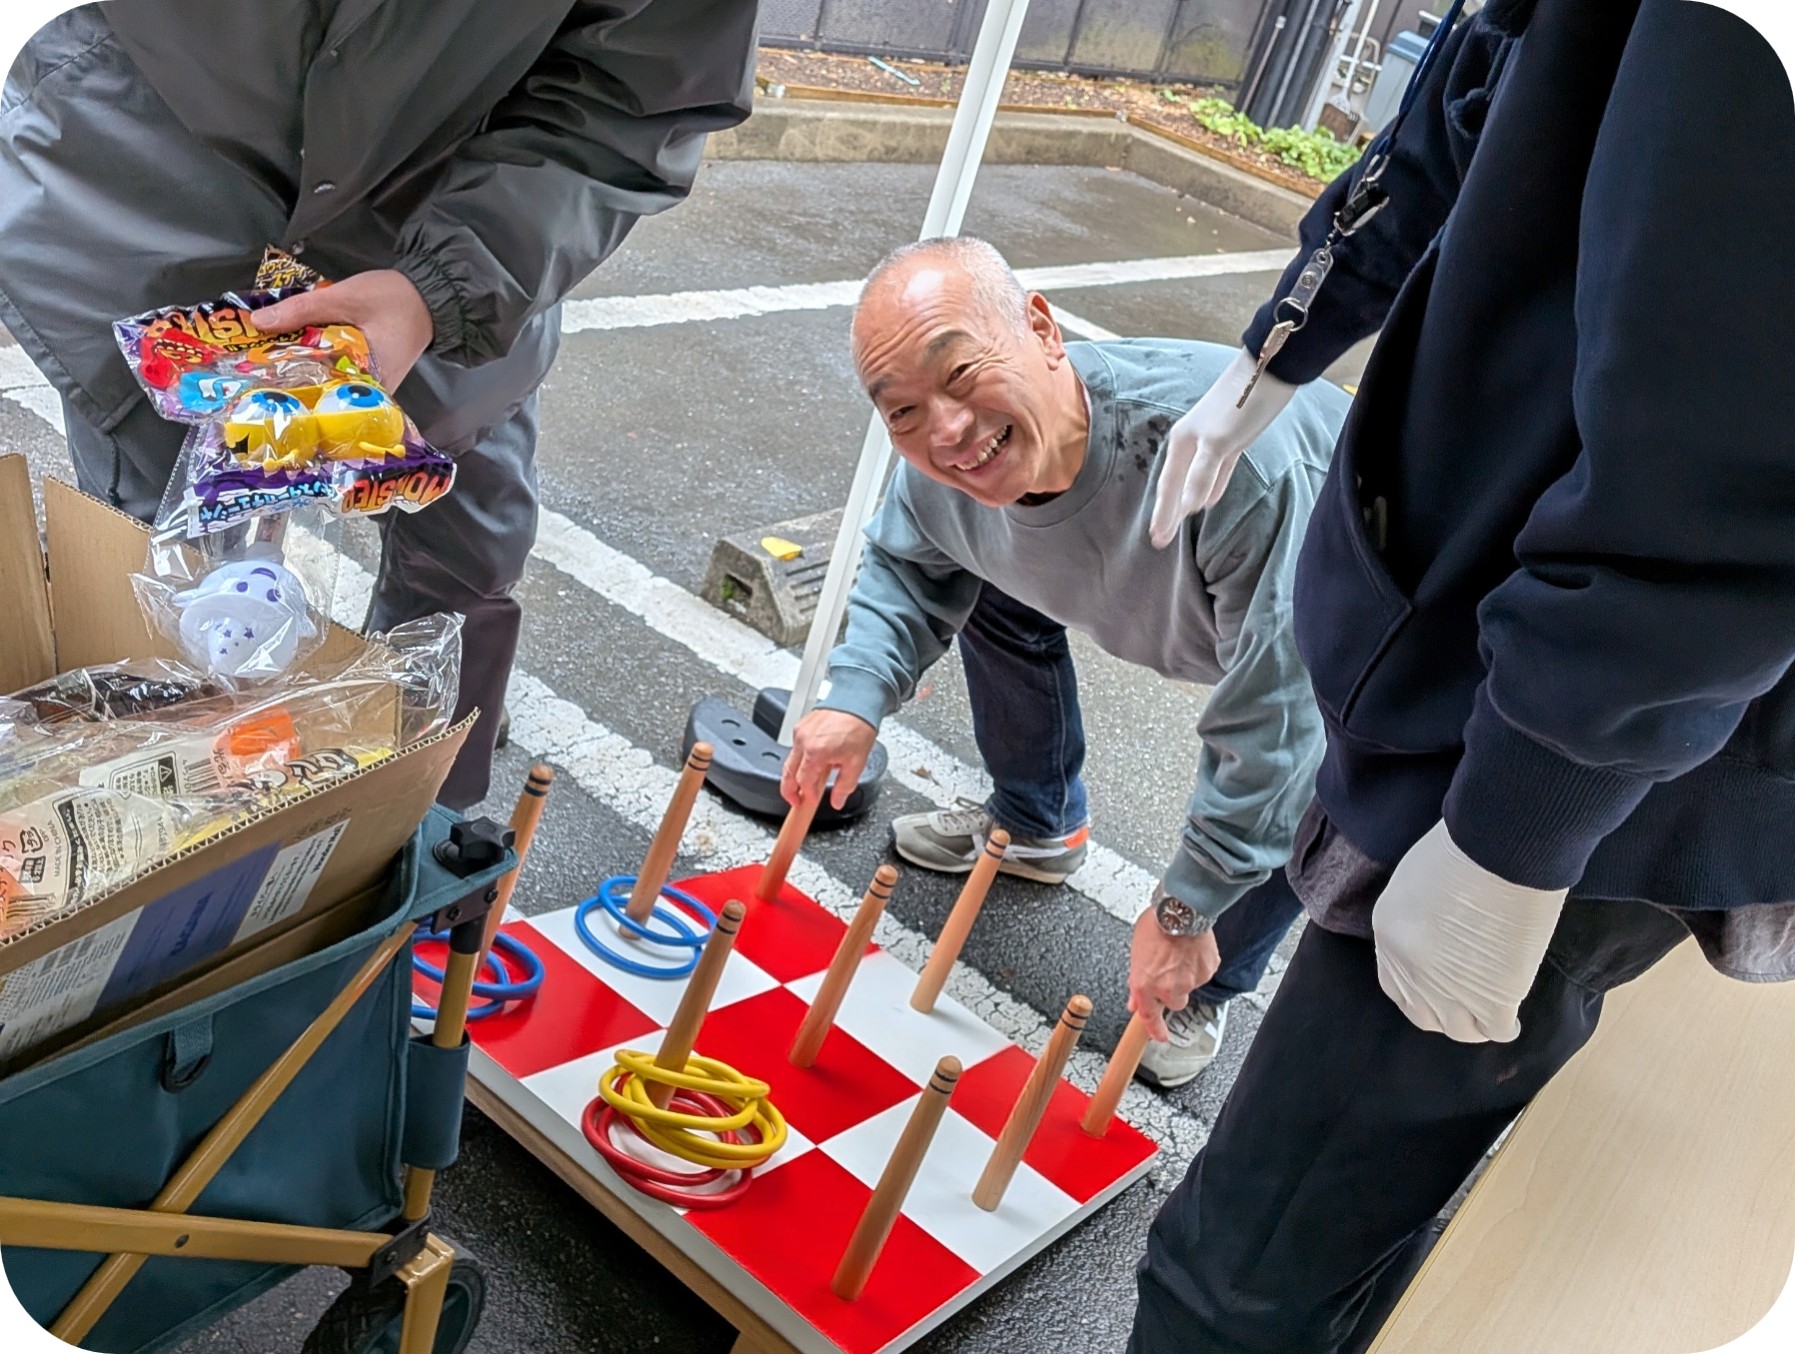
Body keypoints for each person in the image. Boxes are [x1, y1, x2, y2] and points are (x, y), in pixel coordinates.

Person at [1131, 1, 1795, 1349]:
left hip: (1596, 753)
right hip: (1536, 686)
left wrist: (1518, 816)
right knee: (1373, 1260)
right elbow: (1483, 82)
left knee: (1242, 1277)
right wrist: (1277, 346)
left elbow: (1733, 445)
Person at [0, 0, 758, 808]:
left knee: (467, 555)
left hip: (459, 227)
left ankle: (422, 817)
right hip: (158, 191)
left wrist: (444, 289)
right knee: (171, 577)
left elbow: (637, 91)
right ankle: (180, 829)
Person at [782, 235, 1352, 1087]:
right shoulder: (946, 467)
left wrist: (1186, 902)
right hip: (1204, 607)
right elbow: (909, 563)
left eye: (960, 372)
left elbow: (1276, 721)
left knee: (1332, 757)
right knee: (984, 569)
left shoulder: (1230, 461)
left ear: (1042, 329)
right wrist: (853, 699)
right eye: (900, 410)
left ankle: (1207, 976)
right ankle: (1038, 822)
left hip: (1371, 612)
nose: (944, 429)